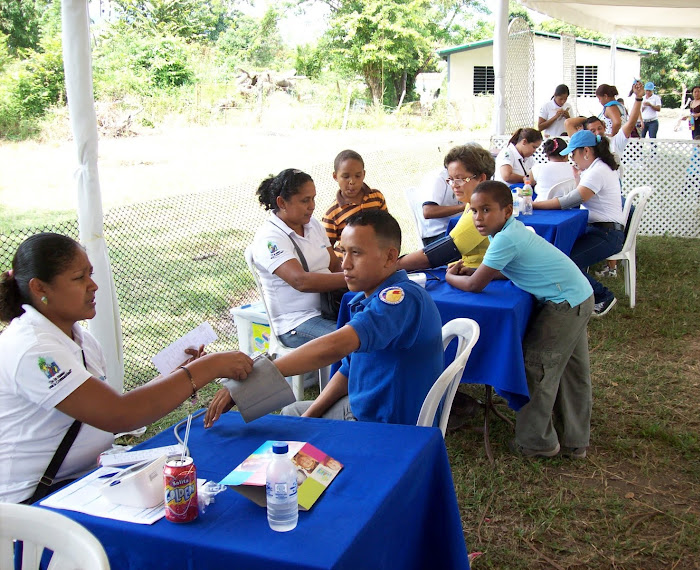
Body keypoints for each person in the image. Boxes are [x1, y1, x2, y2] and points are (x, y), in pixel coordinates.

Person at [0, 233, 253, 504]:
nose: (93, 286)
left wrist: (178, 376)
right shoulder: (34, 351)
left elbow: (111, 405)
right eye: (79, 278)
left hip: (86, 481)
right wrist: (207, 367)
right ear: (40, 288)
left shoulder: (80, 339)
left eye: (91, 275)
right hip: (33, 504)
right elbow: (120, 415)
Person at [205, 210, 444, 428]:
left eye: (357, 253)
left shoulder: (400, 300)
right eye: (343, 251)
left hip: (383, 427)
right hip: (366, 411)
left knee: (281, 429)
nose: (344, 264)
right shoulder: (370, 299)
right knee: (292, 414)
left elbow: (333, 347)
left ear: (390, 257)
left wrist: (255, 379)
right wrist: (310, 417)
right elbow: (348, 370)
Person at [445, 181, 593, 459]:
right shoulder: (508, 231)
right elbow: (503, 269)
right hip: (577, 296)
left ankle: (537, 443)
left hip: (564, 304)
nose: (478, 218)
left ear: (507, 211)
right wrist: (475, 271)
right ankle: (574, 440)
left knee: (537, 369)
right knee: (571, 373)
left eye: (486, 210)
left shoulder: (505, 237)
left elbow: (476, 286)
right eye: (474, 211)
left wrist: (452, 276)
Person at [533, 130, 625, 317]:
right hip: (603, 230)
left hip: (607, 234)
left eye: (573, 154)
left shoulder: (597, 171)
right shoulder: (596, 168)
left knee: (567, 262)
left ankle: (602, 296)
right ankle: (577, 296)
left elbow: (570, 200)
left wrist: (534, 205)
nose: (571, 159)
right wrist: (577, 176)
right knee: (560, 254)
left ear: (586, 151)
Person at [252, 168, 346, 349]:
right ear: (282, 202)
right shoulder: (270, 237)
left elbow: (334, 265)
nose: (312, 206)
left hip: (330, 308)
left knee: (371, 326)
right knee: (351, 341)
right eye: (305, 200)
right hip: (295, 323)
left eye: (313, 198)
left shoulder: (313, 225)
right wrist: (355, 277)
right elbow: (300, 281)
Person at [397, 144, 495, 272]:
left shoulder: (481, 212)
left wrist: (392, 265)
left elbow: (440, 253)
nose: (454, 185)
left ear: (481, 178)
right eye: (451, 179)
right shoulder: (472, 204)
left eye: (460, 179)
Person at [322, 149, 387, 256]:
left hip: (376, 258)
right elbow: (327, 250)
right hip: (347, 264)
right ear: (335, 176)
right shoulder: (332, 214)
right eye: (346, 176)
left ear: (364, 174)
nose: (352, 181)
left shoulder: (376, 198)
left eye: (357, 175)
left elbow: (386, 227)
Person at [417, 166, 465, 245]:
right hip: (437, 235)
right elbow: (428, 211)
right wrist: (463, 207)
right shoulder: (439, 178)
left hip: (456, 228)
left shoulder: (468, 177)